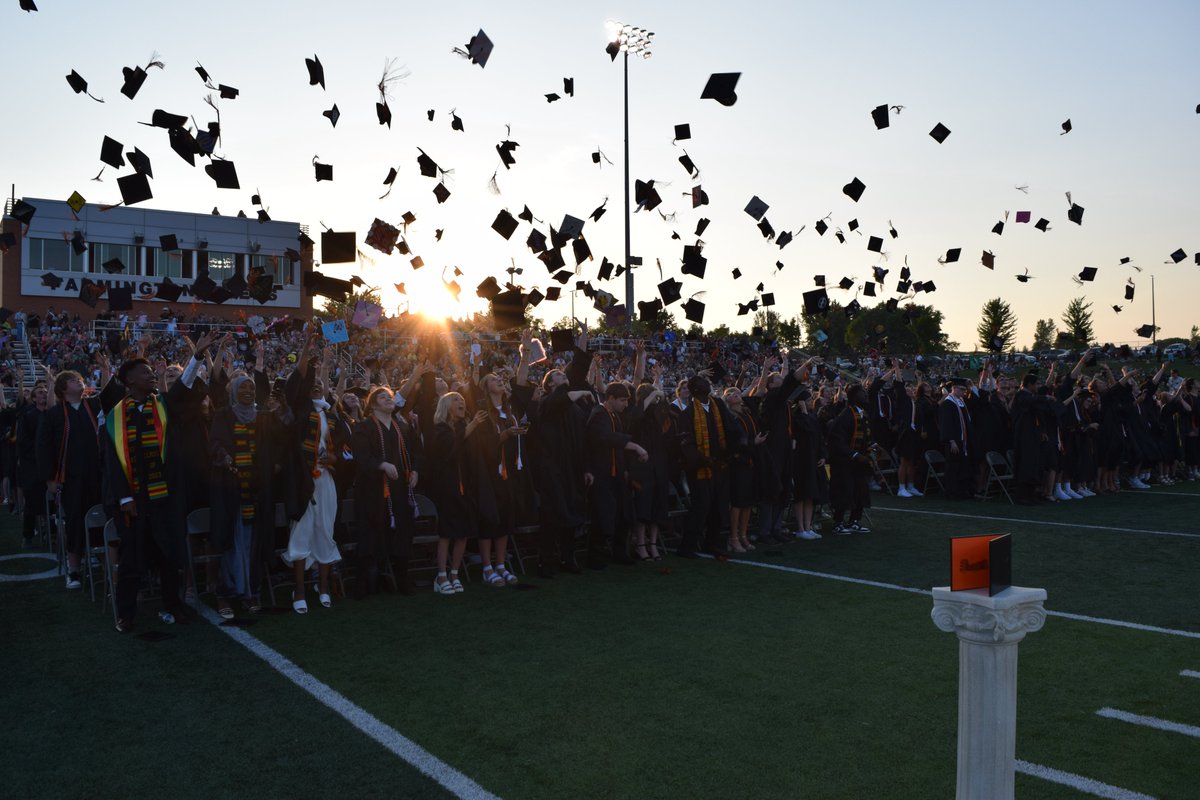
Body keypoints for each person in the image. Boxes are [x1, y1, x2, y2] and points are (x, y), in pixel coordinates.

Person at [102, 333, 216, 633]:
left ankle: (173, 605)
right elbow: (113, 463)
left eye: (152, 371)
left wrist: (197, 357)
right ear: (130, 381)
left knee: (170, 556)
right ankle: (126, 614)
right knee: (132, 561)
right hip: (134, 501)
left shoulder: (163, 407)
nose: (152, 374)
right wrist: (124, 498)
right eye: (145, 372)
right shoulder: (116, 418)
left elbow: (183, 389)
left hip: (165, 497)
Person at [38, 357, 121, 590]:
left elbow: (108, 397)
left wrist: (106, 370)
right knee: (75, 522)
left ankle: (106, 565)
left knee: (101, 518)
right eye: (75, 380)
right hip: (70, 478)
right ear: (64, 388)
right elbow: (43, 448)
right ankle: (73, 570)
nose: (80, 382)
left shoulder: (91, 406)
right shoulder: (54, 415)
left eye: (81, 380)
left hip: (97, 475)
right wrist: (51, 479)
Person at [208, 374, 287, 617]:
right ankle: (225, 594)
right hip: (230, 488)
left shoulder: (264, 416)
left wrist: (274, 465)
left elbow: (280, 439)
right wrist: (225, 457)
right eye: (242, 387)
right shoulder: (223, 414)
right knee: (231, 540)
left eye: (251, 388)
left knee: (253, 541)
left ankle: (251, 592)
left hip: (257, 489)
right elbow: (215, 443)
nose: (248, 391)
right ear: (232, 392)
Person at [281, 334, 341, 614]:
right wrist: (307, 347)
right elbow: (301, 375)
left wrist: (334, 457)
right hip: (304, 479)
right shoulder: (300, 409)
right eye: (312, 383)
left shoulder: (332, 415)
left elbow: (343, 450)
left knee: (325, 531)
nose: (316, 385)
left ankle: (324, 587)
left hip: (326, 479)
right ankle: (300, 589)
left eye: (321, 384)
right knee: (302, 532)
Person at [351, 386, 421, 597]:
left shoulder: (402, 427)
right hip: (372, 491)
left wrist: (415, 470)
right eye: (382, 397)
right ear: (372, 405)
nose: (388, 400)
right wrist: (381, 465)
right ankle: (366, 584)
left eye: (389, 397)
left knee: (402, 534)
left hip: (399, 490)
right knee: (370, 535)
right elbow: (361, 457)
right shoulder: (363, 427)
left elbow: (416, 451)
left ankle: (401, 580)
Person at [677, 375, 739, 558]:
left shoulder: (718, 405)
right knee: (700, 508)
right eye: (703, 383)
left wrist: (732, 452)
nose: (708, 384)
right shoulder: (686, 415)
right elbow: (686, 444)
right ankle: (686, 547)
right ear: (696, 390)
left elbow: (732, 429)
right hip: (700, 469)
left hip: (720, 466)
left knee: (718, 509)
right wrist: (704, 460)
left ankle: (710, 544)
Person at [428, 392, 478, 594]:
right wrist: (470, 428)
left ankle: (455, 573)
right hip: (446, 485)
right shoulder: (439, 429)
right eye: (456, 399)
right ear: (446, 405)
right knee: (447, 532)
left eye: (462, 399)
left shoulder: (462, 426)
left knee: (463, 532)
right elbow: (449, 452)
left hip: (466, 484)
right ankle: (441, 576)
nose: (462, 401)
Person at [826, 384, 874, 533]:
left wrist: (871, 448)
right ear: (854, 397)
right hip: (844, 462)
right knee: (844, 492)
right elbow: (837, 441)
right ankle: (838, 523)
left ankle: (854, 521)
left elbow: (865, 437)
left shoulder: (863, 414)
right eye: (862, 393)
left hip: (859, 462)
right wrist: (854, 455)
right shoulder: (845, 415)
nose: (866, 396)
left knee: (860, 491)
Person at [938, 378, 975, 500]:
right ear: (953, 388)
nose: (963, 392)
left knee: (963, 467)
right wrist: (951, 440)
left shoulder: (961, 402)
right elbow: (946, 424)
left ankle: (961, 491)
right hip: (954, 441)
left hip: (963, 440)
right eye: (961, 389)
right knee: (952, 467)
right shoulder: (948, 403)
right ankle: (951, 492)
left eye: (965, 389)